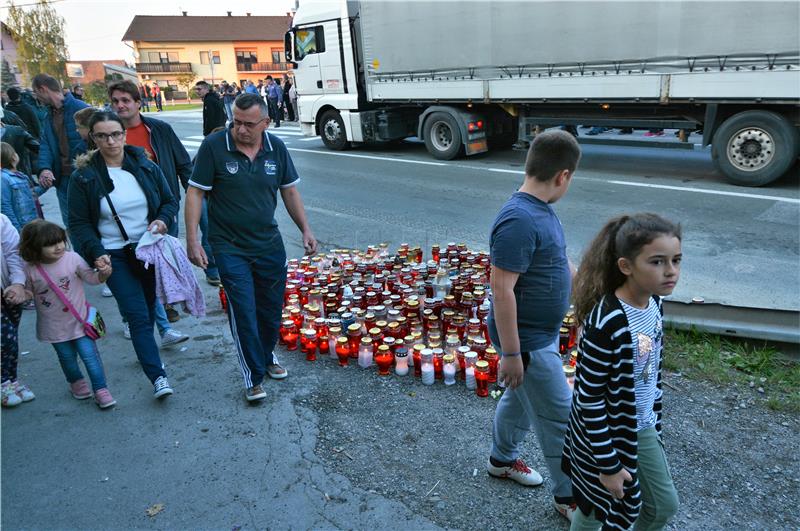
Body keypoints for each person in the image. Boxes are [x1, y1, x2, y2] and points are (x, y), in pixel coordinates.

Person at [185, 93, 317, 402]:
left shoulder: (276, 148)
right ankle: (253, 376)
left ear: (266, 123)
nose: (240, 129)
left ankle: (267, 356)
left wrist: (306, 229)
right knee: (243, 310)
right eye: (235, 122)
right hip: (229, 247)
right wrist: (193, 240)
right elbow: (195, 194)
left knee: (271, 310)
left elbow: (290, 192)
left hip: (269, 244)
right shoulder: (214, 147)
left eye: (248, 124)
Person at [563, 213, 682, 531]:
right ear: (626, 266)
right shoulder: (607, 322)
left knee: (655, 506)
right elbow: (588, 399)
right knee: (598, 507)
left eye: (675, 260)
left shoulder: (654, 303)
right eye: (657, 262)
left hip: (640, 425)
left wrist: (653, 419)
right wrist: (608, 465)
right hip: (605, 435)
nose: (671, 271)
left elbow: (649, 371)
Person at [485, 129, 580, 522]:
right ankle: (568, 497)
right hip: (525, 339)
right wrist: (511, 353)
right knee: (560, 419)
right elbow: (501, 289)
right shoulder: (519, 219)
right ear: (563, 175)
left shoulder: (540, 210)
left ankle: (501, 460)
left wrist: (591, 294)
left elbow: (558, 263)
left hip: (533, 338)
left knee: (519, 401)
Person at [67, 111, 178, 400]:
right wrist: (97, 253)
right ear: (93, 138)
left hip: (147, 251)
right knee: (138, 315)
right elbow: (78, 223)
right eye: (102, 135)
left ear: (124, 134)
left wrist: (163, 221)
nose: (110, 141)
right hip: (113, 256)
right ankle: (157, 376)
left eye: (115, 134)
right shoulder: (84, 177)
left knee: (151, 307)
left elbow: (169, 201)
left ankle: (149, 354)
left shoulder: (143, 165)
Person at [108, 79, 207, 320]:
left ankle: (166, 304)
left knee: (162, 258)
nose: (120, 106)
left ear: (138, 103)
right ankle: (141, 310)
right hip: (125, 210)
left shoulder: (159, 129)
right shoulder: (108, 133)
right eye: (115, 101)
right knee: (137, 261)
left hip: (162, 205)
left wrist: (194, 193)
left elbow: (183, 163)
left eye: (125, 100)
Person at [18, 220, 116, 408]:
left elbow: (92, 278)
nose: (58, 246)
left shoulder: (73, 258)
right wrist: (21, 294)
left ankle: (101, 389)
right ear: (34, 247)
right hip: (53, 326)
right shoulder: (31, 269)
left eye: (61, 241)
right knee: (67, 358)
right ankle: (76, 382)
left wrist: (104, 274)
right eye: (50, 244)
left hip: (80, 321)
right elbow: (29, 293)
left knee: (90, 357)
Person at [32, 74, 90, 227]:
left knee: (90, 224)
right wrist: (44, 169)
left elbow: (96, 143)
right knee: (71, 225)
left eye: (36, 92)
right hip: (63, 181)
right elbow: (45, 145)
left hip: (85, 179)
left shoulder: (81, 109)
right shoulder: (48, 116)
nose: (36, 97)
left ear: (43, 89)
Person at [1, 214, 35, 407]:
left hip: (9, 291)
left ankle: (11, 380)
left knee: (11, 339)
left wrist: (17, 283)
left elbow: (14, 253)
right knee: (4, 340)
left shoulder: (1, 221)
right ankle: (4, 382)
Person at [2, 142, 44, 231]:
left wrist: (45, 185)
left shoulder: (20, 176)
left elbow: (31, 194)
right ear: (13, 157)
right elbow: (5, 207)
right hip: (23, 227)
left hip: (33, 222)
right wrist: (16, 229)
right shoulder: (3, 179)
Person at [1, 108, 40, 178]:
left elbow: (40, 149)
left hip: (17, 178)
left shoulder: (17, 131)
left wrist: (45, 168)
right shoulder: (16, 131)